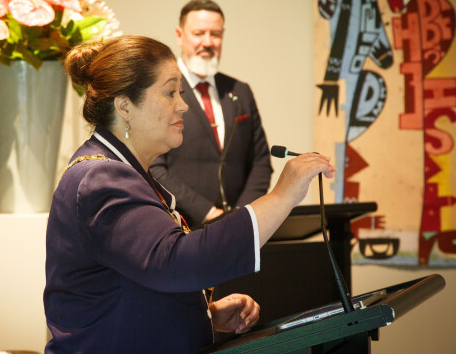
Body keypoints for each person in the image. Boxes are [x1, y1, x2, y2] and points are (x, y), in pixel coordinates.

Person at [43, 35, 334, 353]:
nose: (183, 105)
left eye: (180, 93)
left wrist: (205, 314)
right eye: (170, 92)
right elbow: (173, 261)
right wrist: (282, 196)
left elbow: (136, 278)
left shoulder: (120, 171)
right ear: (125, 106)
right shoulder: (101, 178)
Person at [150, 0, 273, 229]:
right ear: (179, 35)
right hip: (182, 227)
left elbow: (261, 162)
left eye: (215, 34)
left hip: (239, 229)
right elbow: (153, 166)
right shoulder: (161, 90)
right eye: (198, 33)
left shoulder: (240, 91)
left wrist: (241, 214)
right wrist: (207, 213)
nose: (207, 42)